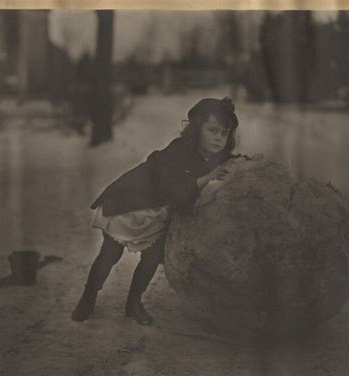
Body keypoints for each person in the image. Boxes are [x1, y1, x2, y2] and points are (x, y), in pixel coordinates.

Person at [71, 96, 250, 325]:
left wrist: (243, 162)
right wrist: (207, 178)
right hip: (130, 204)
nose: (218, 138)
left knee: (153, 257)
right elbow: (173, 190)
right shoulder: (178, 151)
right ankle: (88, 297)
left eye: (224, 133)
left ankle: (134, 302)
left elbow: (227, 161)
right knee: (110, 254)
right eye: (213, 130)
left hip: (157, 211)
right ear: (196, 129)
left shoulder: (214, 155)